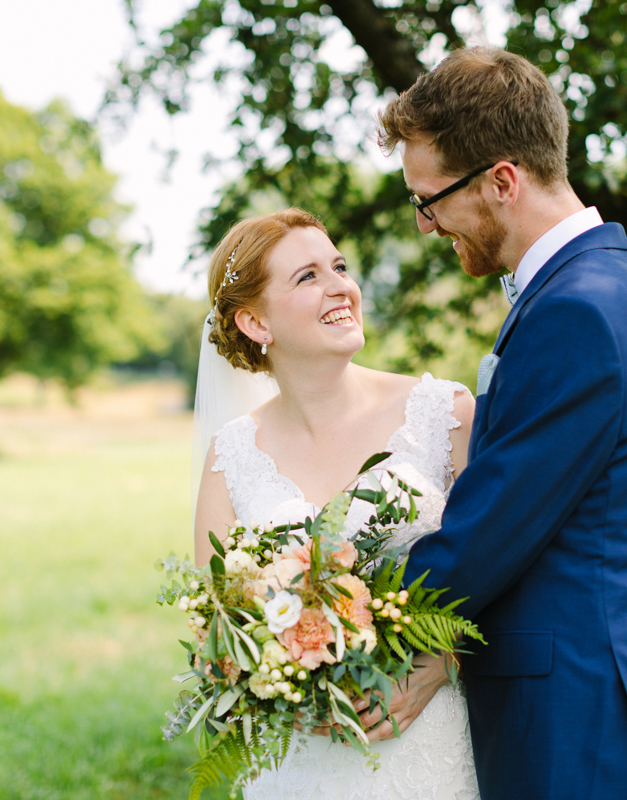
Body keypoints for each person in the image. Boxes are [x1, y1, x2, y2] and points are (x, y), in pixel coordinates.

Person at [363, 46, 627, 799]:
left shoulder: (578, 312)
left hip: (588, 735)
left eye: (429, 200)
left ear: (501, 181)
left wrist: (329, 606)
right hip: (598, 717)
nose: (426, 225)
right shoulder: (597, 288)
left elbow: (488, 532)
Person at [191, 207, 481, 800]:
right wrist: (287, 685)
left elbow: (516, 571)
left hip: (432, 748)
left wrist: (441, 664)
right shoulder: (232, 455)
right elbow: (214, 632)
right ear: (254, 321)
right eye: (307, 276)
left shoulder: (446, 415)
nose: (341, 286)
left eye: (340, 267)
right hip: (301, 765)